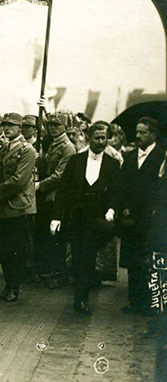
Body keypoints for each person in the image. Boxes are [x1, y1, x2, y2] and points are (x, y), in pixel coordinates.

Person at [51, 121, 120, 314]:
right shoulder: (76, 161)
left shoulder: (112, 164)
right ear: (89, 139)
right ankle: (79, 295)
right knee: (77, 256)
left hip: (96, 218)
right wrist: (56, 218)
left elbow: (116, 191)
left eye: (104, 138)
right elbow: (63, 191)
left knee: (87, 258)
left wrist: (112, 209)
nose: (101, 141)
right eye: (97, 138)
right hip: (75, 217)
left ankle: (81, 299)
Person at [0, 113, 36, 302]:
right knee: (4, 248)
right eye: (4, 125)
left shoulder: (27, 150)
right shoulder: (4, 147)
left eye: (11, 126)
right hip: (2, 206)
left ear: (20, 128)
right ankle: (8, 285)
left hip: (17, 205)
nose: (6, 128)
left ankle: (14, 287)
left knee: (16, 249)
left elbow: (18, 181)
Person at [118, 117, 164, 315]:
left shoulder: (162, 157)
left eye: (142, 132)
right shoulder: (129, 157)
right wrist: (124, 208)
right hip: (130, 218)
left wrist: (154, 210)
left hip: (151, 218)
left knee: (150, 261)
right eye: (136, 132)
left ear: (153, 134)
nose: (137, 136)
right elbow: (122, 185)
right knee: (132, 261)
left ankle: (151, 304)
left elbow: (161, 190)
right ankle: (135, 301)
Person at [35, 113, 76, 288]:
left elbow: (60, 176)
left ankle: (59, 274)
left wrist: (38, 186)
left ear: (65, 127)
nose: (52, 128)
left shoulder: (68, 147)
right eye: (50, 125)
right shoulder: (51, 144)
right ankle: (50, 271)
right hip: (48, 197)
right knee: (47, 236)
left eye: (57, 125)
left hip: (58, 197)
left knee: (58, 236)